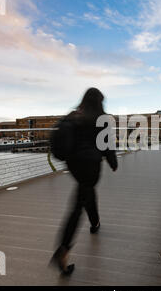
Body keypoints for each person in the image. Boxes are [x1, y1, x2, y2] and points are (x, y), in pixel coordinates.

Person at [50, 87, 117, 276]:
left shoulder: (74, 116)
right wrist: (112, 161)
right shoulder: (101, 118)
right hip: (91, 165)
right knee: (78, 205)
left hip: (75, 166)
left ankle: (95, 222)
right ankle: (63, 250)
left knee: (85, 191)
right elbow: (107, 144)